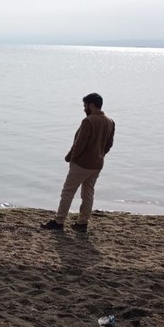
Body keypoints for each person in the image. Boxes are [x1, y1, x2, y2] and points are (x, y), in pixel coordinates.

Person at [42, 92, 115, 232]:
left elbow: (79, 143)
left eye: (85, 105)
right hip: (97, 164)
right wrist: (100, 155)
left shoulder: (88, 121)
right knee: (88, 193)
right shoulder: (110, 121)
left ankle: (59, 221)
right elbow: (109, 144)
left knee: (67, 192)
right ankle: (82, 223)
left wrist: (71, 157)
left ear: (92, 105)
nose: (84, 109)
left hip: (82, 164)